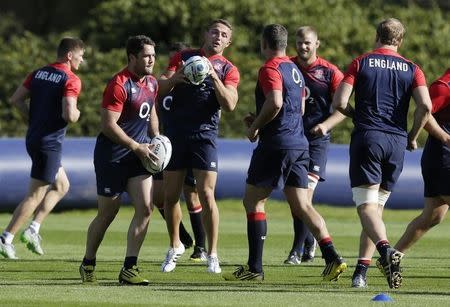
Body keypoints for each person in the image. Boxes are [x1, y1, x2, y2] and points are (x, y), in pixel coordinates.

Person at [223, 24, 347, 282]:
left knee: (253, 201)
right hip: (300, 144)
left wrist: (256, 127)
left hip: (276, 145)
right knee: (302, 204)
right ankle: (333, 257)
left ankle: (254, 268)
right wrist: (262, 118)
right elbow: (298, 108)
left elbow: (277, 101)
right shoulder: (294, 70)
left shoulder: (271, 67)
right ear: (286, 43)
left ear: (263, 43)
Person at [332, 18, 432, 289]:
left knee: (366, 207)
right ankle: (361, 272)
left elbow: (340, 102)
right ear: (400, 40)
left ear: (377, 36)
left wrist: (356, 116)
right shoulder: (413, 69)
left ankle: (386, 252)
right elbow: (426, 106)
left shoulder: (361, 62)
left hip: (369, 137)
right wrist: (412, 136)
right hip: (397, 143)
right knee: (375, 210)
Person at [157, 19, 240, 274]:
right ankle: (174, 246)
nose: (218, 36)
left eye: (224, 34)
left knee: (206, 194)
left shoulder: (229, 69)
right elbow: (159, 86)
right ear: (205, 33)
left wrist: (214, 77)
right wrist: (177, 78)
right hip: (176, 134)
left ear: (228, 42)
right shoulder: (184, 57)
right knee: (170, 196)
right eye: (214, 31)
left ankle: (212, 254)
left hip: (205, 136)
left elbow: (230, 104)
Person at [79, 35, 159, 285]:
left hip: (139, 156)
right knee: (107, 213)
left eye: (154, 56)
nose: (151, 60)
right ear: (132, 57)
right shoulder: (119, 84)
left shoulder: (152, 83)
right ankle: (88, 261)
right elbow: (108, 125)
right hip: (112, 156)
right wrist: (136, 146)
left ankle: (129, 268)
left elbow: (151, 111)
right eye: (146, 55)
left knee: (146, 208)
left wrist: (157, 138)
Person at [0, 38, 84, 259]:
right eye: (80, 56)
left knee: (62, 185)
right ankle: (6, 238)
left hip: (34, 138)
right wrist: (77, 114)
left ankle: (33, 229)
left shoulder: (38, 73)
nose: (82, 60)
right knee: (35, 196)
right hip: (50, 144)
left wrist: (34, 119)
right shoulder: (71, 79)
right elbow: (69, 115)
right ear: (69, 56)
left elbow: (16, 99)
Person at [284, 26, 346, 265]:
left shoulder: (330, 72)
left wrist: (326, 125)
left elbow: (343, 109)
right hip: (292, 140)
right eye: (299, 42)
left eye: (308, 43)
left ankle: (296, 251)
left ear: (317, 44)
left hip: (317, 142)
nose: (303, 46)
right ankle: (308, 242)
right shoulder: (287, 66)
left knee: (304, 200)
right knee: (296, 201)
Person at [152, 42, 207, 262]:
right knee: (158, 197)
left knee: (191, 194)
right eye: (173, 61)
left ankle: (201, 247)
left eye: (180, 61)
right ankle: (183, 237)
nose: (176, 65)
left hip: (188, 141)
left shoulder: (195, 83)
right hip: (165, 145)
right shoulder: (164, 83)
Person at [393, 68, 450, 253]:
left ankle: (393, 256)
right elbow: (425, 114)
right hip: (443, 158)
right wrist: (445, 137)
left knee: (433, 216)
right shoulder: (443, 87)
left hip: (440, 159)